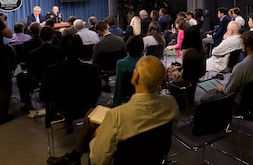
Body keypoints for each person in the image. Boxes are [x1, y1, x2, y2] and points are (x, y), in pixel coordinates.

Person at [46, 56, 179, 165]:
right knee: (91, 113)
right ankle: (73, 157)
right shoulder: (171, 103)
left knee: (95, 125)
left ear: (136, 76)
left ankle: (74, 157)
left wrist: (97, 136)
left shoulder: (116, 116)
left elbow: (98, 160)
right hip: (154, 158)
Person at [40, 34, 102, 132]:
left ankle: (67, 120)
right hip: (87, 105)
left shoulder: (51, 71)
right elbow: (98, 91)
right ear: (81, 49)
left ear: (62, 50)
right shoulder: (92, 69)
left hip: (60, 107)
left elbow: (43, 95)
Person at [201, 31, 253, 113]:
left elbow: (228, 91)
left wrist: (223, 87)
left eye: (242, 44)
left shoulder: (241, 67)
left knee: (205, 99)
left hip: (239, 103)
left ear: (248, 47)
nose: (241, 47)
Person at [17, 26, 64, 113]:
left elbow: (30, 73)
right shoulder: (60, 51)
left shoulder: (32, 54)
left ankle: (28, 103)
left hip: (39, 80)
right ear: (53, 37)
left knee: (20, 77)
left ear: (39, 37)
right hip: (58, 80)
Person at [112, 36, 144, 107]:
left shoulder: (121, 63)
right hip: (142, 96)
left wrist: (116, 101)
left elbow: (118, 83)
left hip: (126, 97)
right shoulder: (145, 62)